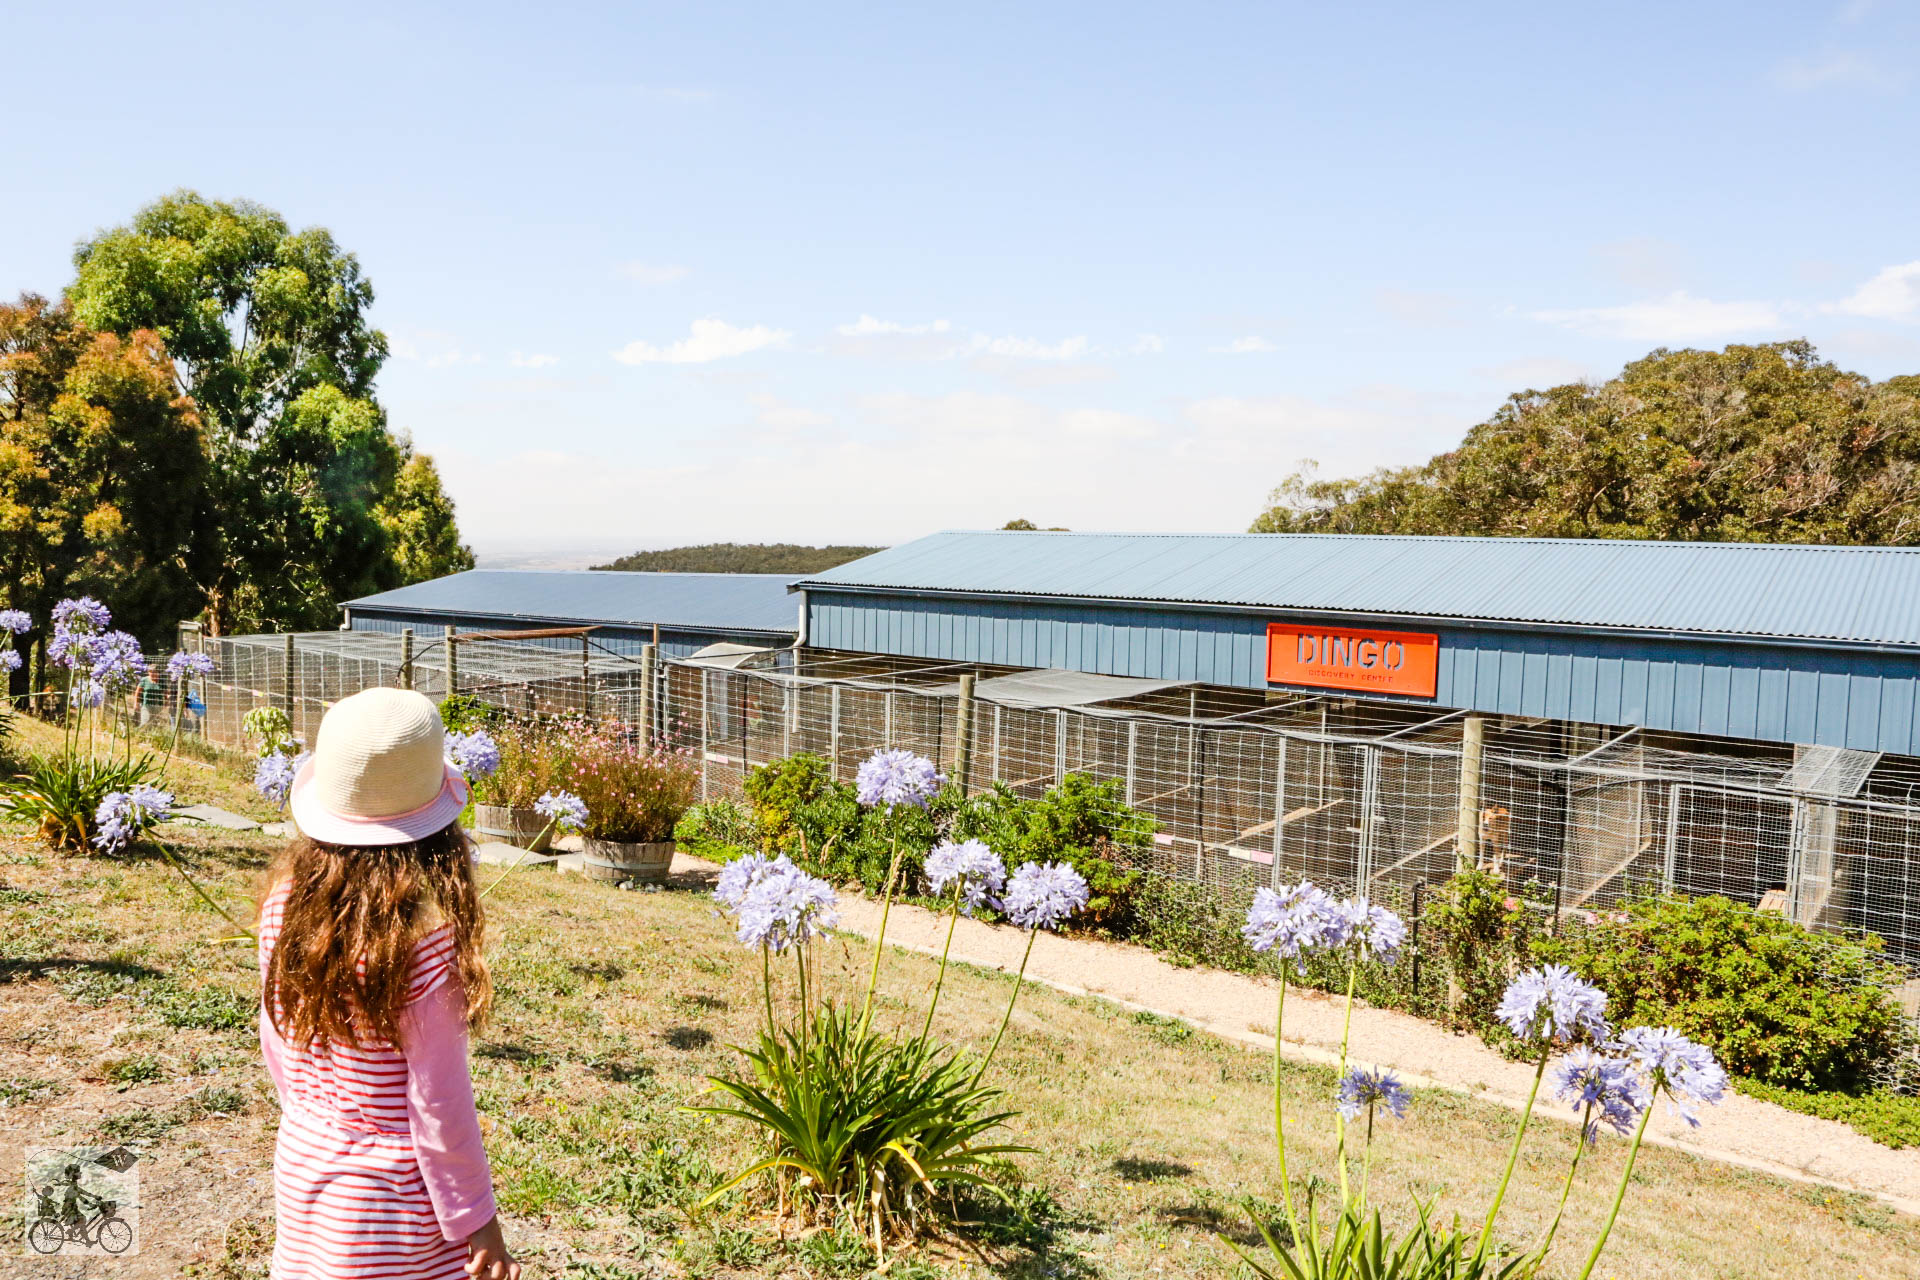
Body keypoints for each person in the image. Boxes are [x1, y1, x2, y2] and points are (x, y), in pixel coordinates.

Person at [258, 687, 520, 1280]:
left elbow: (276, 1037)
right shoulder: (421, 941)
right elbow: (439, 1105)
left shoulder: (281, 908)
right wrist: (480, 1220)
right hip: (394, 1206)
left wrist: (312, 1117)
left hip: (304, 1169)